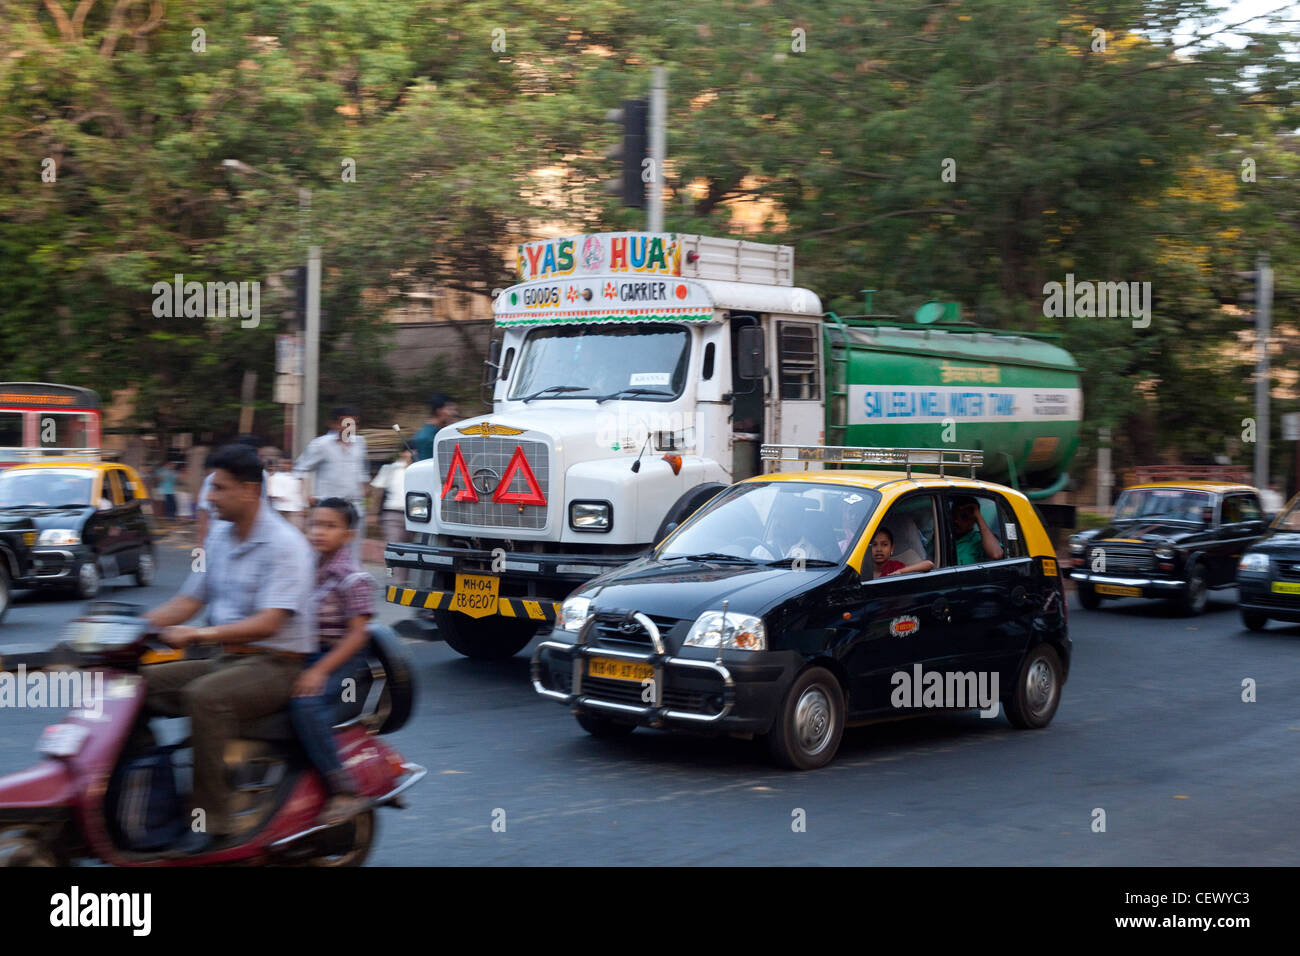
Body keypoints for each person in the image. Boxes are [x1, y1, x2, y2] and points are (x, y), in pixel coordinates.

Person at [140, 443, 315, 855]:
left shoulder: (286, 545)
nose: (210, 499)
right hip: (228, 657)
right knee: (135, 684)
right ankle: (148, 796)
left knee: (205, 697)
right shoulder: (219, 536)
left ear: (250, 491)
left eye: (219, 489)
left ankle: (211, 822)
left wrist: (197, 636)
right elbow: (190, 599)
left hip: (277, 664)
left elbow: (271, 622)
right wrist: (132, 628)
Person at [289, 498, 374, 825]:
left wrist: (319, 671)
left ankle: (342, 788)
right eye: (314, 525)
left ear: (348, 535)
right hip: (309, 651)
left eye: (330, 526)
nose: (318, 532)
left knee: (304, 704)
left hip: (343, 659)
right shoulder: (309, 567)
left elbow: (358, 636)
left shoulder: (353, 577)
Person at [294, 406, 369, 562]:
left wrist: (365, 490)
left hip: (354, 505)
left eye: (354, 423)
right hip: (328, 507)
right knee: (323, 550)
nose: (350, 427)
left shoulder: (360, 443)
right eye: (346, 423)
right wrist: (306, 496)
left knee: (353, 551)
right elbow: (300, 469)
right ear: (334, 424)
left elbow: (362, 471)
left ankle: (351, 582)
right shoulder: (321, 444)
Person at [371, 448, 413, 583]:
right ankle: (394, 581)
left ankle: (405, 581)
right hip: (392, 514)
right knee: (394, 549)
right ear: (402, 452)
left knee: (410, 550)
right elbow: (378, 490)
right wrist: (373, 512)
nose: (411, 454)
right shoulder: (390, 469)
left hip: (414, 517)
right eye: (408, 451)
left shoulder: (417, 469)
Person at [950, 495, 1004, 565]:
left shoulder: (978, 539)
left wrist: (978, 515)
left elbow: (996, 554)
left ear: (974, 520)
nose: (956, 521)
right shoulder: (941, 537)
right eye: (954, 516)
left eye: (964, 517)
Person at [410, 393, 459, 463]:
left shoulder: (440, 433)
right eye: (450, 409)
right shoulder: (427, 438)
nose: (455, 413)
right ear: (439, 411)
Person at [868, 527, 934, 578]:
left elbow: (929, 564)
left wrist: (900, 571)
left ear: (892, 549)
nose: (879, 549)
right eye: (874, 544)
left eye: (884, 544)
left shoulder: (895, 567)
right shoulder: (863, 569)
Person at [268, 458, 307, 529]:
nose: (285, 465)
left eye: (288, 463)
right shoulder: (275, 476)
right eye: (283, 463)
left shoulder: (297, 477)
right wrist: (279, 497)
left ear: (292, 465)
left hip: (294, 509)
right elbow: (271, 493)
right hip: (279, 509)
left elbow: (301, 491)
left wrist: (303, 506)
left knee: (294, 530)